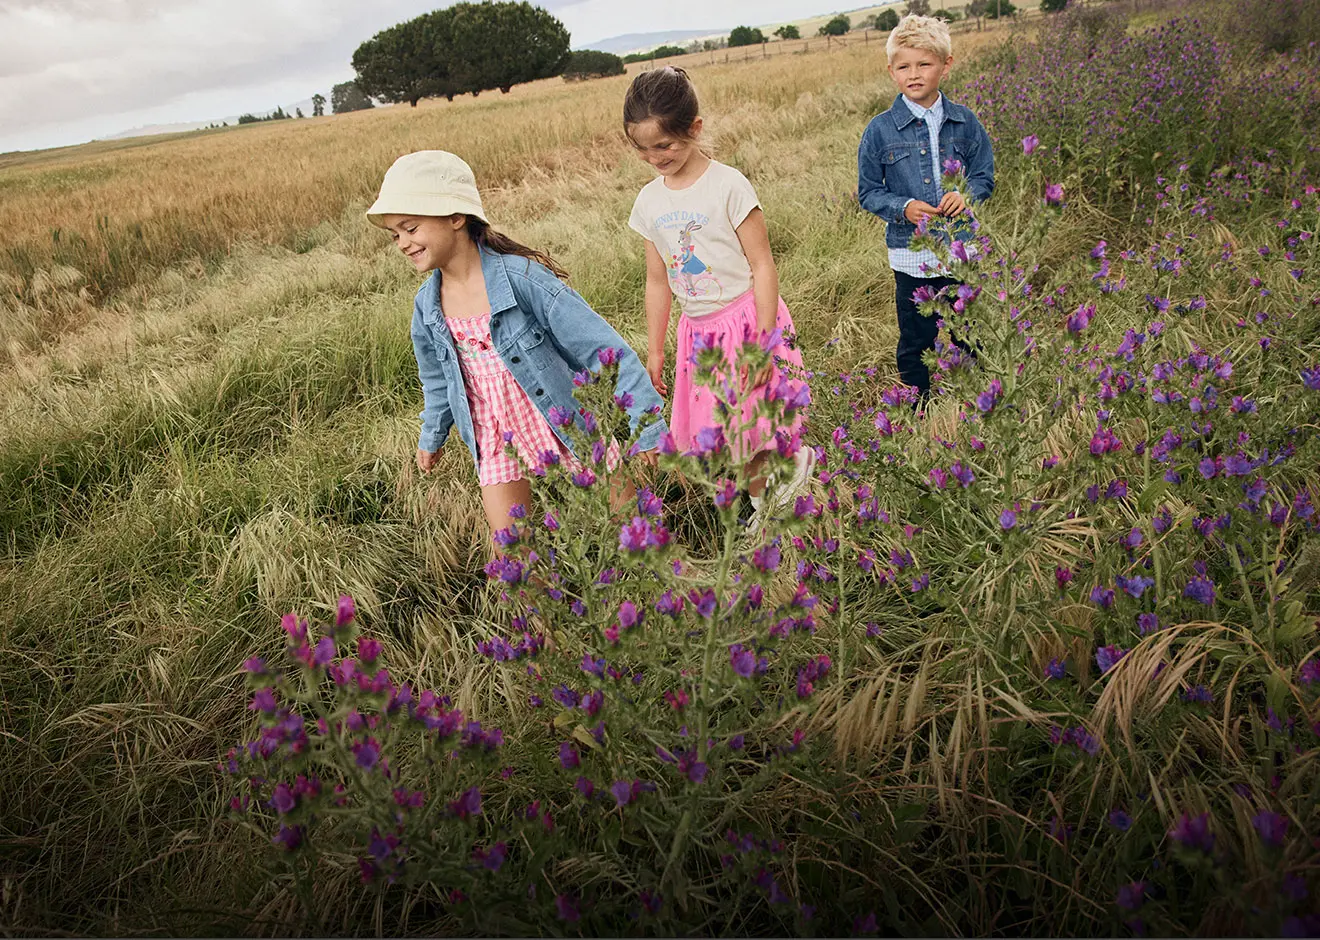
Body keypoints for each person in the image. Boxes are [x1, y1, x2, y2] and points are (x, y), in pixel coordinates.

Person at [367, 150, 666, 542]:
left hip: (565, 419)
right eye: (395, 235)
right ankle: (539, 602)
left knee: (632, 528)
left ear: (456, 217)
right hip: (495, 435)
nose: (403, 243)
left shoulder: (522, 279)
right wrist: (432, 435)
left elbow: (601, 349)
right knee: (513, 550)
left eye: (411, 228)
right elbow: (437, 379)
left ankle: (663, 587)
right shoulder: (427, 305)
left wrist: (646, 423)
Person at [623, 66, 813, 517]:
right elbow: (657, 281)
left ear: (695, 129)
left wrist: (765, 342)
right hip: (699, 333)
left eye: (664, 145)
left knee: (757, 426)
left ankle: (780, 493)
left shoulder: (728, 185)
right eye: (643, 149)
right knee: (730, 436)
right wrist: (655, 351)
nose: (655, 157)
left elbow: (762, 264)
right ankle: (764, 502)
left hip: (747, 321)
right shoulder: (649, 202)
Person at [857, 14, 994, 399]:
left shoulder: (965, 122)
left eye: (924, 64)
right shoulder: (879, 130)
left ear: (945, 65)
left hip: (961, 251)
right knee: (917, 338)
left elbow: (985, 176)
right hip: (911, 258)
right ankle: (920, 407)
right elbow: (868, 191)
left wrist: (967, 194)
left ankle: (976, 402)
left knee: (970, 333)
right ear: (891, 71)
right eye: (903, 66)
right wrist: (904, 207)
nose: (913, 74)